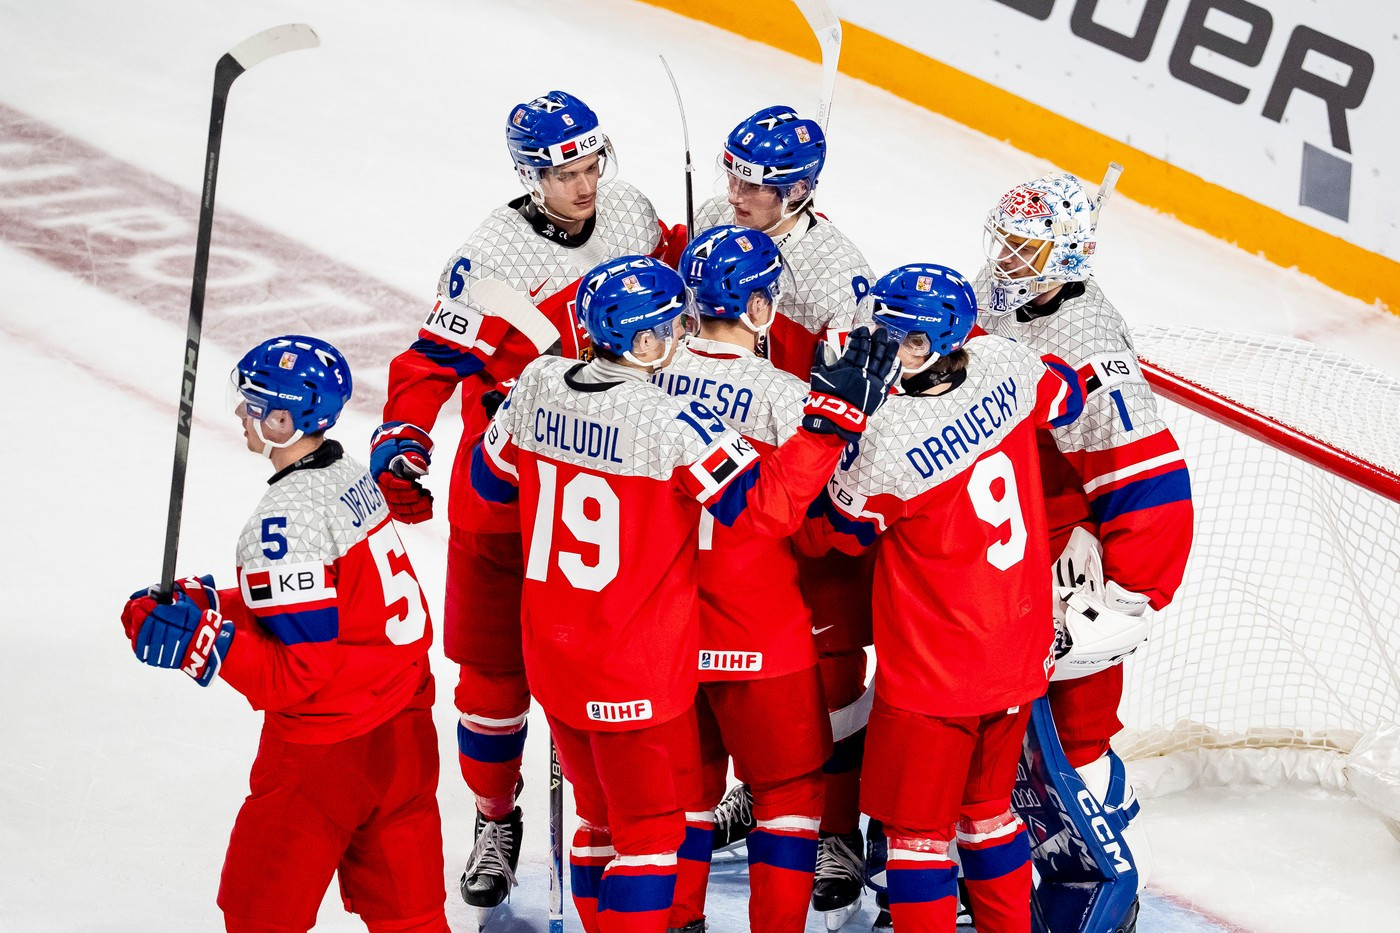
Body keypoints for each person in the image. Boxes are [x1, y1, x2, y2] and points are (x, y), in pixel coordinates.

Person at [468, 255, 896, 933]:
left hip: (592, 649)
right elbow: (789, 515)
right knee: (769, 801)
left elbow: (488, 487)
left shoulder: (542, 382)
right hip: (722, 635)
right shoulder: (701, 411)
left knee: (624, 815)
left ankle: (681, 921)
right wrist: (831, 422)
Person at [370, 89, 686, 921]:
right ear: (529, 176)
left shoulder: (628, 210)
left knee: (615, 679)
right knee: (491, 684)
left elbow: (673, 275)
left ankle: (622, 827)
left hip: (614, 490)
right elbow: (428, 364)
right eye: (563, 173)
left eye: (590, 165)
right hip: (507, 497)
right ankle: (494, 815)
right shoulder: (490, 260)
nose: (584, 185)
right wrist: (403, 436)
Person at [119, 335, 446, 933]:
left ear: (283, 421)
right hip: (406, 738)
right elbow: (325, 601)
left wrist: (206, 641)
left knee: (259, 916)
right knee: (413, 921)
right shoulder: (348, 474)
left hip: (324, 758)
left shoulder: (281, 521)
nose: (240, 412)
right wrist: (210, 602)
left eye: (252, 403)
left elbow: (298, 675)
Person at [802, 265, 1082, 933]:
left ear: (935, 343)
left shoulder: (889, 438)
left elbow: (827, 536)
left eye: (903, 338)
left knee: (917, 839)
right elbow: (1067, 396)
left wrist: (831, 427)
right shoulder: (1003, 362)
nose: (888, 346)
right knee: (989, 816)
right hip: (1017, 656)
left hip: (935, 677)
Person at [976, 171, 1194, 932]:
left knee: (1077, 724)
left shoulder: (1088, 343)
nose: (1006, 258)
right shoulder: (999, 293)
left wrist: (1128, 592)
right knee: (991, 718)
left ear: (1066, 258)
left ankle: (1109, 878)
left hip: (1069, 557)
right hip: (1004, 534)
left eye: (1026, 249)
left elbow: (1149, 477)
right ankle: (992, 868)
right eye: (1004, 240)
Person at [694, 103, 878, 929]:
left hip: (807, 482)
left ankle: (835, 831)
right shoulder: (718, 219)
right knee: (733, 669)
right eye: (733, 177)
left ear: (798, 191)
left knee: (830, 672)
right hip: (728, 489)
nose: (735, 196)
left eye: (755, 187)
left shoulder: (838, 273)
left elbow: (857, 404)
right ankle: (758, 788)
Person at [654, 225, 833, 932]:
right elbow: (820, 522)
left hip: (663, 630)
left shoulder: (644, 380)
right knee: (789, 795)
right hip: (762, 632)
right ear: (759, 307)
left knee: (684, 795)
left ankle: (679, 922)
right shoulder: (789, 398)